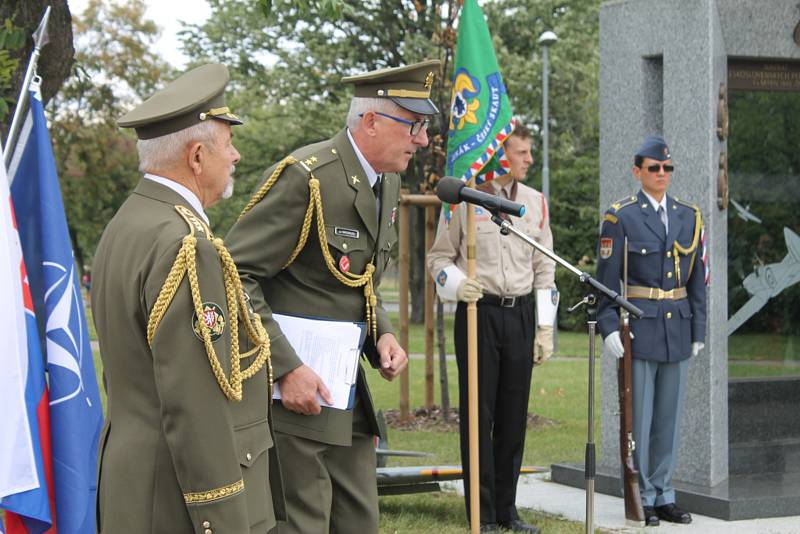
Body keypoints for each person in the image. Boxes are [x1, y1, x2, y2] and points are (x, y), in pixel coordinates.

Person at [225, 60, 440, 533]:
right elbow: (234, 272)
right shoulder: (310, 177)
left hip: (345, 394)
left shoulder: (388, 181)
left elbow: (358, 281)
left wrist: (382, 335)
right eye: (415, 126)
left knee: (359, 522)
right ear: (370, 122)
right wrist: (285, 368)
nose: (422, 140)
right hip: (295, 397)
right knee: (303, 524)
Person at [91, 64, 283, 533]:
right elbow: (195, 400)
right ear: (197, 156)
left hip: (132, 480)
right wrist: (223, 518)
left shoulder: (128, 222)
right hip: (175, 497)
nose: (235, 156)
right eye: (227, 144)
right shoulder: (186, 242)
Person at [426, 123, 558, 533]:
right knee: (478, 416)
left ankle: (507, 510)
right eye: (522, 153)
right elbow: (437, 259)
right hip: (477, 313)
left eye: (529, 152)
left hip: (518, 314)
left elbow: (545, 268)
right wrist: (455, 285)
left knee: (513, 417)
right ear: (501, 157)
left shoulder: (535, 203)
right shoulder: (465, 201)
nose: (529, 160)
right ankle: (480, 514)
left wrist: (544, 328)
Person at [596, 135, 707, 527]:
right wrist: (608, 325)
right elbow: (606, 281)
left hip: (676, 328)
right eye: (654, 168)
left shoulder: (688, 216)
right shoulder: (620, 216)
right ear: (637, 172)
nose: (662, 174)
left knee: (667, 419)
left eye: (667, 168)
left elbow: (697, 281)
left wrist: (699, 329)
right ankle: (640, 494)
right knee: (638, 420)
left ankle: (664, 494)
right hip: (639, 329)